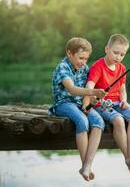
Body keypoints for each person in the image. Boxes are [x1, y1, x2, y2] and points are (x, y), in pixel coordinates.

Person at [83, 34, 130, 176]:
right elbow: (90, 84)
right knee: (118, 120)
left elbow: (122, 89)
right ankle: (127, 157)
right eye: (116, 52)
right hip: (102, 103)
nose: (118, 57)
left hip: (118, 102)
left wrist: (124, 100)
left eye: (122, 54)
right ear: (107, 49)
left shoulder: (122, 68)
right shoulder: (98, 66)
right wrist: (92, 96)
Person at [49, 37, 107, 181]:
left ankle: (87, 165)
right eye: (80, 58)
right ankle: (84, 164)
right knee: (82, 121)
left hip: (79, 104)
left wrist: (89, 102)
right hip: (63, 104)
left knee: (99, 121)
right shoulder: (63, 67)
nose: (83, 62)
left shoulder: (84, 68)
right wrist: (93, 92)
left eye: (86, 59)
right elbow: (72, 89)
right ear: (69, 53)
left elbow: (86, 90)